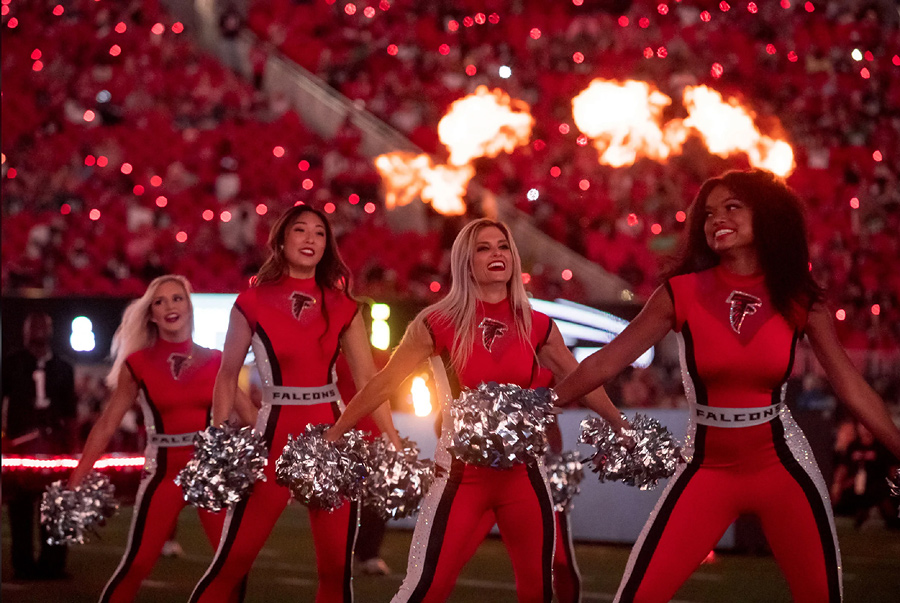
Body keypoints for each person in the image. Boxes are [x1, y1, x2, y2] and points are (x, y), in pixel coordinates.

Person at [554, 169, 900, 603]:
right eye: (709, 213)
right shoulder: (680, 292)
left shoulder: (799, 296)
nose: (717, 219)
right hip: (706, 468)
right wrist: (543, 402)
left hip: (782, 466)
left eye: (732, 207)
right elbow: (606, 360)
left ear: (767, 216)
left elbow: (850, 386)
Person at [326, 218, 627, 602]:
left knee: (538, 590)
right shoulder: (437, 322)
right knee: (426, 588)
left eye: (502, 246)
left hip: (524, 477)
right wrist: (336, 433)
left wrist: (620, 424)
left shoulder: (537, 324)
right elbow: (383, 384)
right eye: (483, 248)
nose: (496, 254)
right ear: (466, 262)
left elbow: (583, 378)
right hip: (460, 479)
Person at [189, 205, 401, 603]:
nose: (309, 239)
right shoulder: (250, 302)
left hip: (333, 438)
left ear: (328, 245)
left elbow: (369, 382)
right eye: (300, 231)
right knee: (232, 562)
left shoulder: (344, 305)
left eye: (319, 233)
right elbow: (226, 373)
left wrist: (391, 437)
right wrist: (216, 435)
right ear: (281, 242)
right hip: (273, 438)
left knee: (336, 570)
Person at [67, 275, 255, 602]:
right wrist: (78, 474)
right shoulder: (137, 364)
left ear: (189, 307)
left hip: (207, 472)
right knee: (136, 565)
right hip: (163, 473)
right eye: (160, 301)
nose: (170, 306)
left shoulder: (215, 360)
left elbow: (253, 416)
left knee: (232, 564)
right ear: (151, 314)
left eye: (177, 298)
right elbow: (108, 422)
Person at [2, 312, 76, 580]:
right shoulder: (10, 364)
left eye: (41, 326)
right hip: (19, 448)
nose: (36, 331)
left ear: (51, 330)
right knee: (20, 508)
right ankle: (22, 564)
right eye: (31, 326)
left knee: (55, 506)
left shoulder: (63, 368)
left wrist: (72, 449)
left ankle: (53, 564)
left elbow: (70, 413)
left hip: (54, 446)